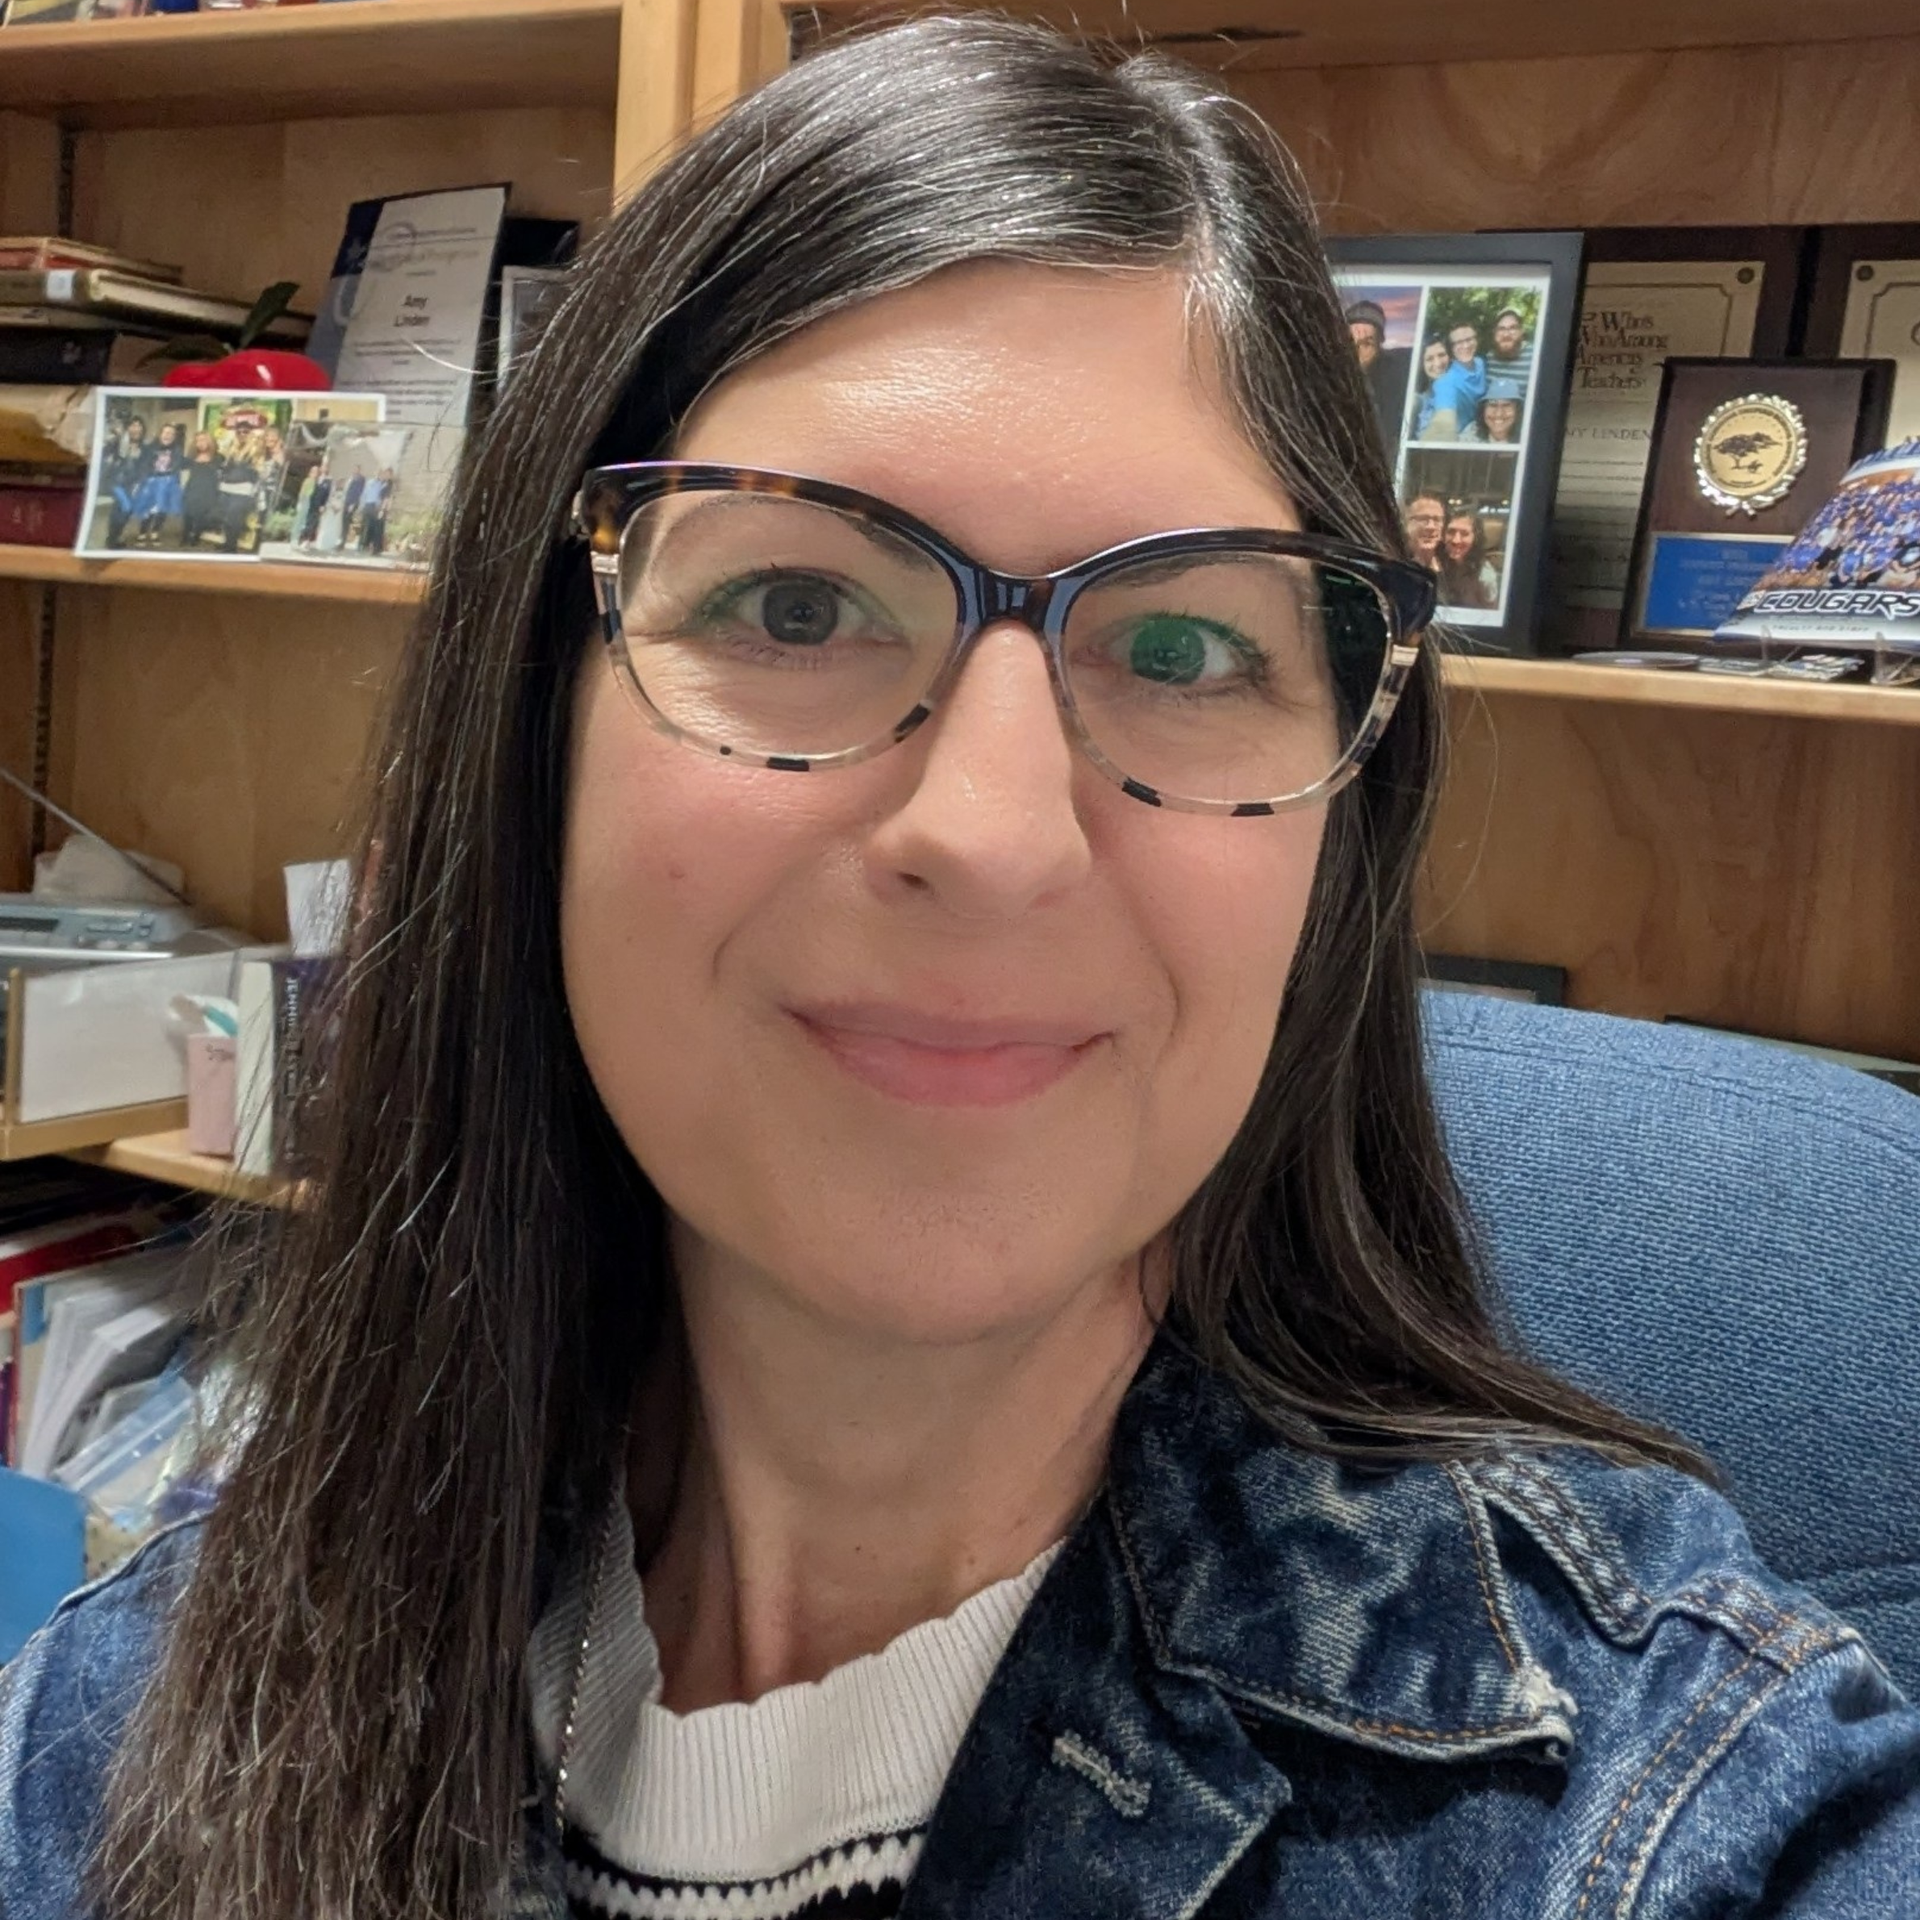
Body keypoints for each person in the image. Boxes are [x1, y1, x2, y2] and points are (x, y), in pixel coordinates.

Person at [4, 21, 1915, 1920]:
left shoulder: (1663, 1814)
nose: (994, 835)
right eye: (796, 602)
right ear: (533, 737)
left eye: (1183, 652)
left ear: (1337, 845)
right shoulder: (124, 1724)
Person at [1343, 296, 1410, 451]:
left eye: (1366, 344)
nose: (1356, 352)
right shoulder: (1326, 377)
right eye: (1350, 343)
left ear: (1380, 344)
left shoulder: (1396, 373)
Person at [127, 419, 185, 547]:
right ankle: (142, 532)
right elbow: (143, 465)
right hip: (151, 481)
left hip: (168, 482)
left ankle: (155, 532)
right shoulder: (149, 448)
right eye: (165, 432)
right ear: (160, 433)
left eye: (171, 433)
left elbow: (178, 467)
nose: (168, 435)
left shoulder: (177, 450)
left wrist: (177, 485)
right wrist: (141, 482)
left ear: (174, 437)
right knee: (148, 508)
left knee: (162, 509)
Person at [1438, 506, 1500, 608]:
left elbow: (1492, 615)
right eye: (1451, 532)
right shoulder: (1437, 565)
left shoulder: (1485, 576)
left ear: (1476, 538)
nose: (1456, 540)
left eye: (1464, 534)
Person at [102, 413, 148, 548]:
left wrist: (140, 483)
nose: (136, 429)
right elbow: (104, 452)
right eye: (133, 425)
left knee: (123, 510)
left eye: (139, 426)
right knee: (125, 507)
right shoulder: (118, 442)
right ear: (128, 428)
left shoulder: (144, 448)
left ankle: (114, 538)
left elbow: (144, 467)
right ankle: (112, 538)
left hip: (131, 483)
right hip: (116, 482)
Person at [180, 431, 223, 548]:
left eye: (203, 440)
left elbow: (220, 474)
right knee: (187, 513)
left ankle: (196, 536)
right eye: (198, 440)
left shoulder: (218, 457)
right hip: (192, 487)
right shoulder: (192, 457)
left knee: (200, 515)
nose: (200, 443)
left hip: (208, 490)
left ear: (209, 441)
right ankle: (185, 535)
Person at [1488, 305, 1533, 398]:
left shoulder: (1535, 357)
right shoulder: (1489, 358)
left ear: (1521, 331)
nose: (1506, 334)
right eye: (1501, 329)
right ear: (1495, 333)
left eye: (1513, 328)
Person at [1401, 487, 1448, 571]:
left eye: (1437, 520)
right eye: (1423, 519)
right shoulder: (1395, 565)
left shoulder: (1448, 568)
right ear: (1406, 523)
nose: (1431, 527)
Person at [1466, 378, 1524, 446]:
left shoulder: (1527, 438)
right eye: (1493, 405)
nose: (1498, 414)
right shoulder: (1471, 434)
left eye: (1506, 405)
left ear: (1518, 411)